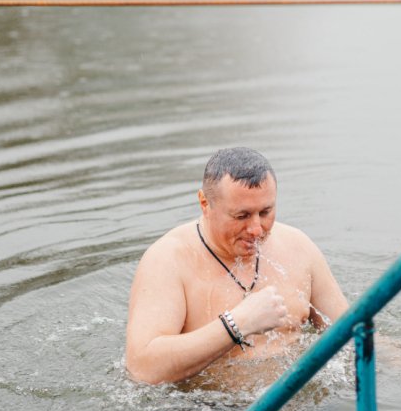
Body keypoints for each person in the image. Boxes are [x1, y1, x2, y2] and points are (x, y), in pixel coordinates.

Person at [125, 147, 348, 385]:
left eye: (265, 212)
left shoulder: (298, 247)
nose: (256, 230)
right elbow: (143, 367)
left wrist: (393, 363)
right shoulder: (168, 260)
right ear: (204, 203)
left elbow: (351, 335)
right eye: (241, 216)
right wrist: (236, 325)